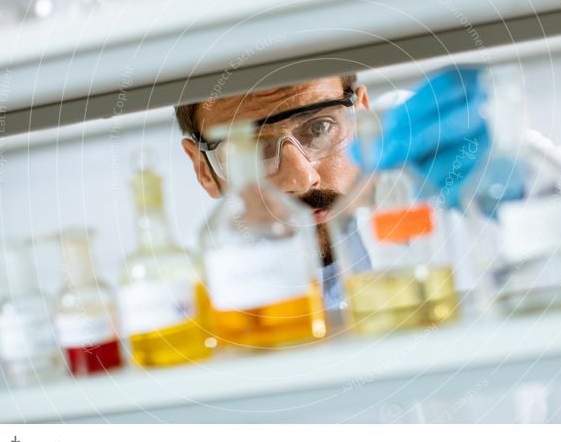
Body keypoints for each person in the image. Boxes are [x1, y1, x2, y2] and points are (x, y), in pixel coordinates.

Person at [175, 67, 488, 310]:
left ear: (362, 113)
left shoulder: (435, 179)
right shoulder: (183, 296)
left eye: (319, 127)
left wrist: (501, 165)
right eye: (251, 150)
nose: (301, 179)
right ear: (203, 169)